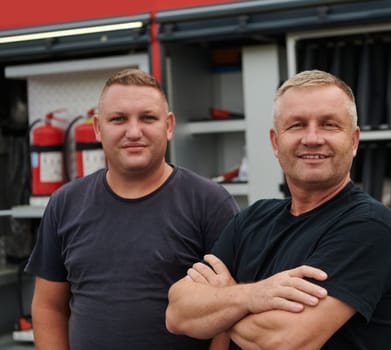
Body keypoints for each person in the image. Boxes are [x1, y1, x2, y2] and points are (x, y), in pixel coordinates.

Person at [165, 69, 391, 350]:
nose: (313, 138)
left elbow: (282, 342)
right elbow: (178, 312)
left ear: (353, 141)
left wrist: (224, 299)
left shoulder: (370, 226)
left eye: (329, 124)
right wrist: (253, 296)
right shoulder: (252, 219)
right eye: (297, 125)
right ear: (275, 142)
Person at [24, 68, 240, 350]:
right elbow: (48, 307)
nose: (134, 131)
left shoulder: (210, 203)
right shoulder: (65, 203)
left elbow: (231, 307)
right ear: (99, 128)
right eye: (119, 119)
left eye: (148, 118)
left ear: (169, 125)